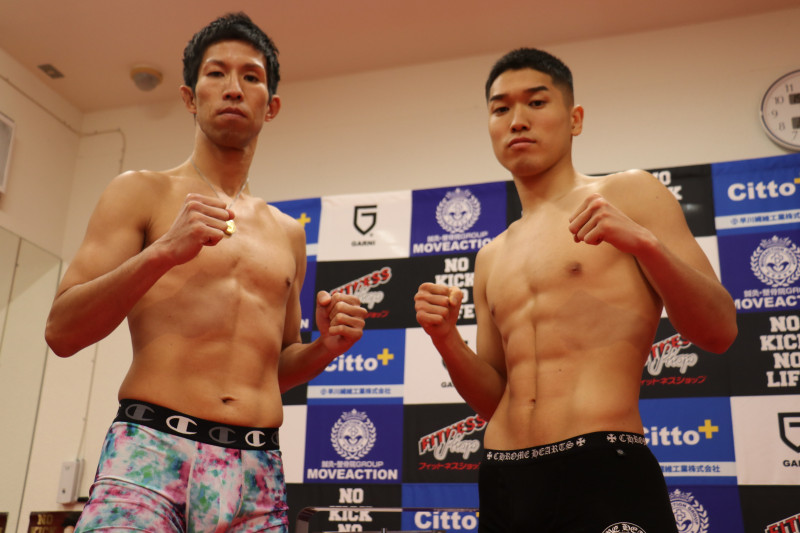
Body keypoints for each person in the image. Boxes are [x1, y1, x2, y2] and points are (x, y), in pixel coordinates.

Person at [45, 12, 367, 532]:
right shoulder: (139, 192)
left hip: (257, 470)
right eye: (216, 73)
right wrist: (162, 253)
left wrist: (325, 348)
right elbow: (62, 331)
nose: (233, 87)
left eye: (251, 76)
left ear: (271, 105)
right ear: (189, 97)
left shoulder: (288, 233)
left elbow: (275, 369)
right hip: (150, 454)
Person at [414, 48, 737, 532]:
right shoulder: (490, 256)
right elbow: (494, 401)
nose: (517, 120)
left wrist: (645, 244)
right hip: (504, 475)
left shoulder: (627, 194)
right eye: (501, 109)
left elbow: (719, 331)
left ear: (575, 119)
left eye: (536, 102)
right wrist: (446, 341)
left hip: (600, 464)